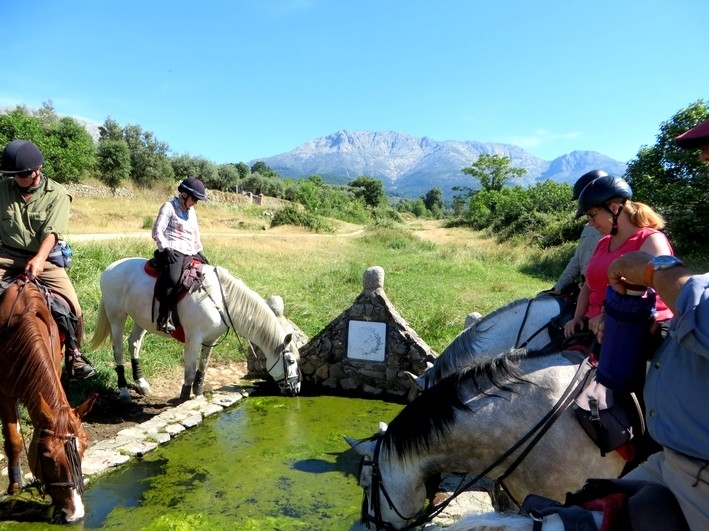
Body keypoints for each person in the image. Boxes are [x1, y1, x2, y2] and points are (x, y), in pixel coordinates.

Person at [604, 118, 709, 531]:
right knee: (586, 502)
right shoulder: (596, 238)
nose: (702, 158)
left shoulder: (651, 242)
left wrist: (652, 271)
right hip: (675, 462)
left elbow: (693, 305)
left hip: (699, 480)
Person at [0, 139, 95, 379]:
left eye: (20, 174)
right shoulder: (2, 189)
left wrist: (40, 258)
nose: (16, 179)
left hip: (45, 260)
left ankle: (74, 355)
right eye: (13, 175)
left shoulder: (58, 194)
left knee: (74, 306)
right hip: (6, 256)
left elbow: (52, 232)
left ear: (36, 171)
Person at [563, 175, 674, 342]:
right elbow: (588, 285)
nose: (591, 223)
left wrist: (608, 319)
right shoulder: (603, 242)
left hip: (637, 329)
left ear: (614, 209)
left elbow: (642, 293)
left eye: (592, 215)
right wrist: (577, 317)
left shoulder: (651, 240)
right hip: (594, 326)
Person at [151, 177, 208, 333]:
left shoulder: (192, 213)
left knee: (208, 272)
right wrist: (165, 248)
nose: (195, 202)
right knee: (173, 278)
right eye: (194, 198)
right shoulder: (168, 207)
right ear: (184, 194)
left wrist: (200, 252)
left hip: (190, 250)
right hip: (172, 249)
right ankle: (163, 318)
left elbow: (195, 236)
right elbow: (157, 231)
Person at [551, 169, 606, 295]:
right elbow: (577, 260)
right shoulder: (588, 227)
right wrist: (559, 285)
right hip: (584, 289)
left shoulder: (616, 231)